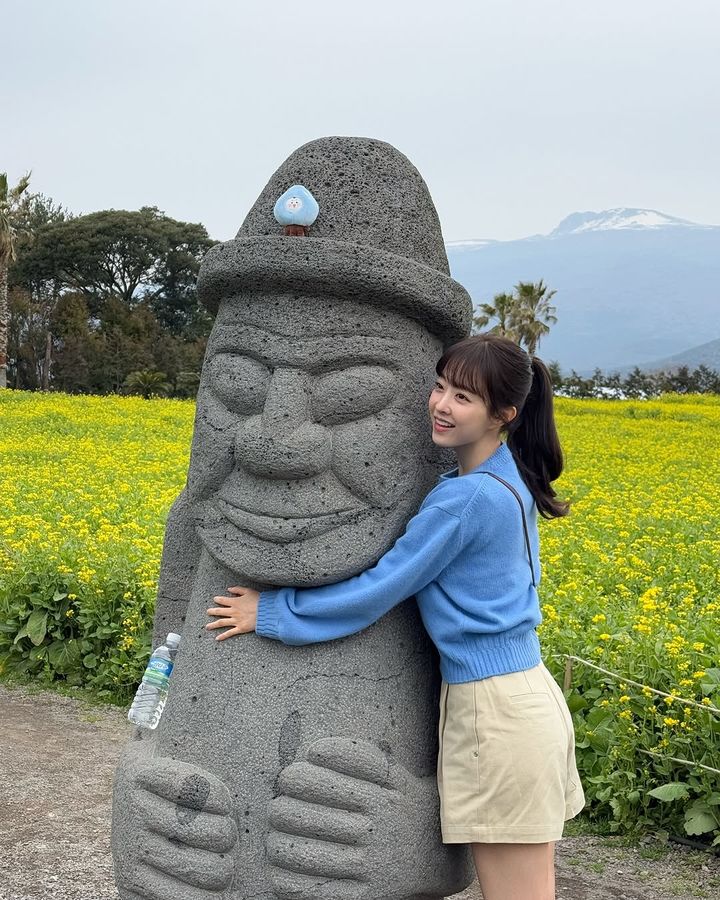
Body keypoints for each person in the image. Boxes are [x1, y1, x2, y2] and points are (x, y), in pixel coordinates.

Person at [206, 332, 586, 900]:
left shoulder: (467, 500)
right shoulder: (508, 475)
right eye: (440, 387)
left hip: (496, 714)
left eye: (464, 397)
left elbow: (381, 586)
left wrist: (274, 611)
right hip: (524, 696)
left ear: (503, 414)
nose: (440, 404)